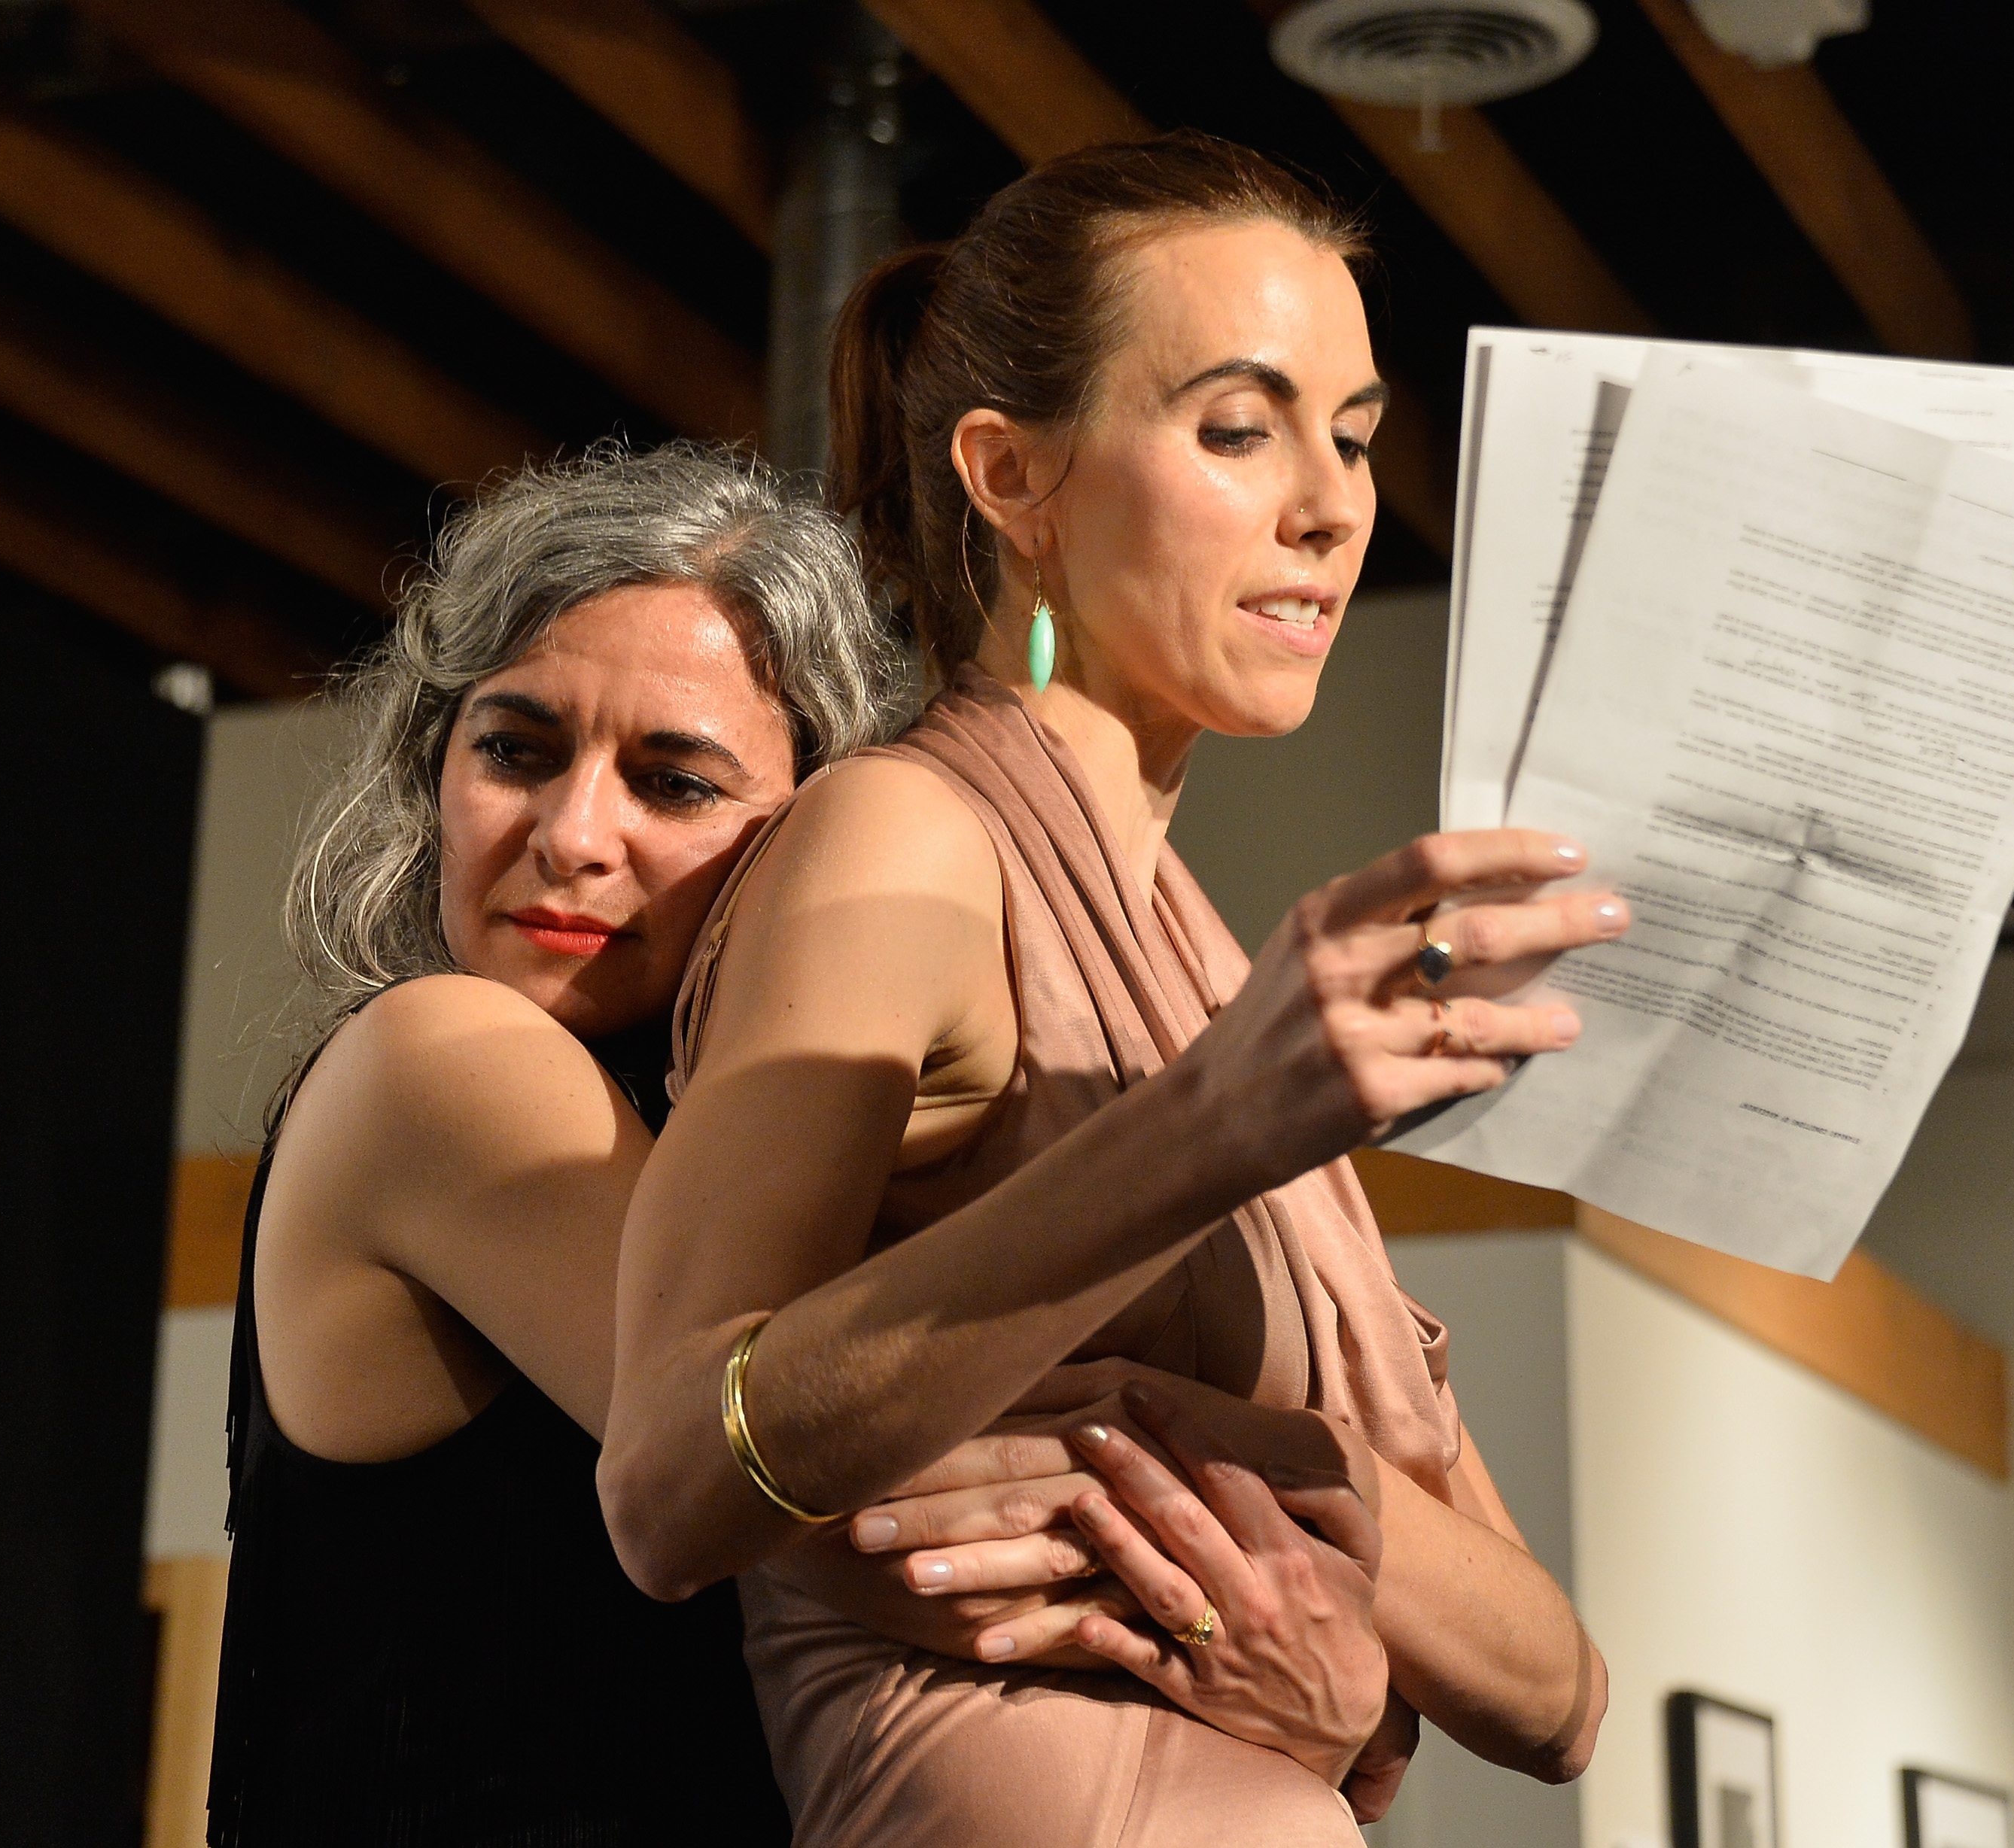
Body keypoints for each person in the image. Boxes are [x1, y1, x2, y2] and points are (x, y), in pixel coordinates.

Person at [598, 136, 1618, 1845]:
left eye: (1355, 435)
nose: (1333, 503)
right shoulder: (907, 841)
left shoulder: (1209, 955)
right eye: (1238, 429)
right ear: (1012, 475)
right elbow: (667, 1482)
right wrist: (1211, 1129)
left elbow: (1561, 1693)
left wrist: (1261, 1471)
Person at [203, 442, 1384, 1847]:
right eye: (516, 750)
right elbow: (893, 1527)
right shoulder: (439, 1059)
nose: (575, 835)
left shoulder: (766, 1163)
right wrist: (1282, 1629)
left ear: (797, 842)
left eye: (673, 782)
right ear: (436, 762)